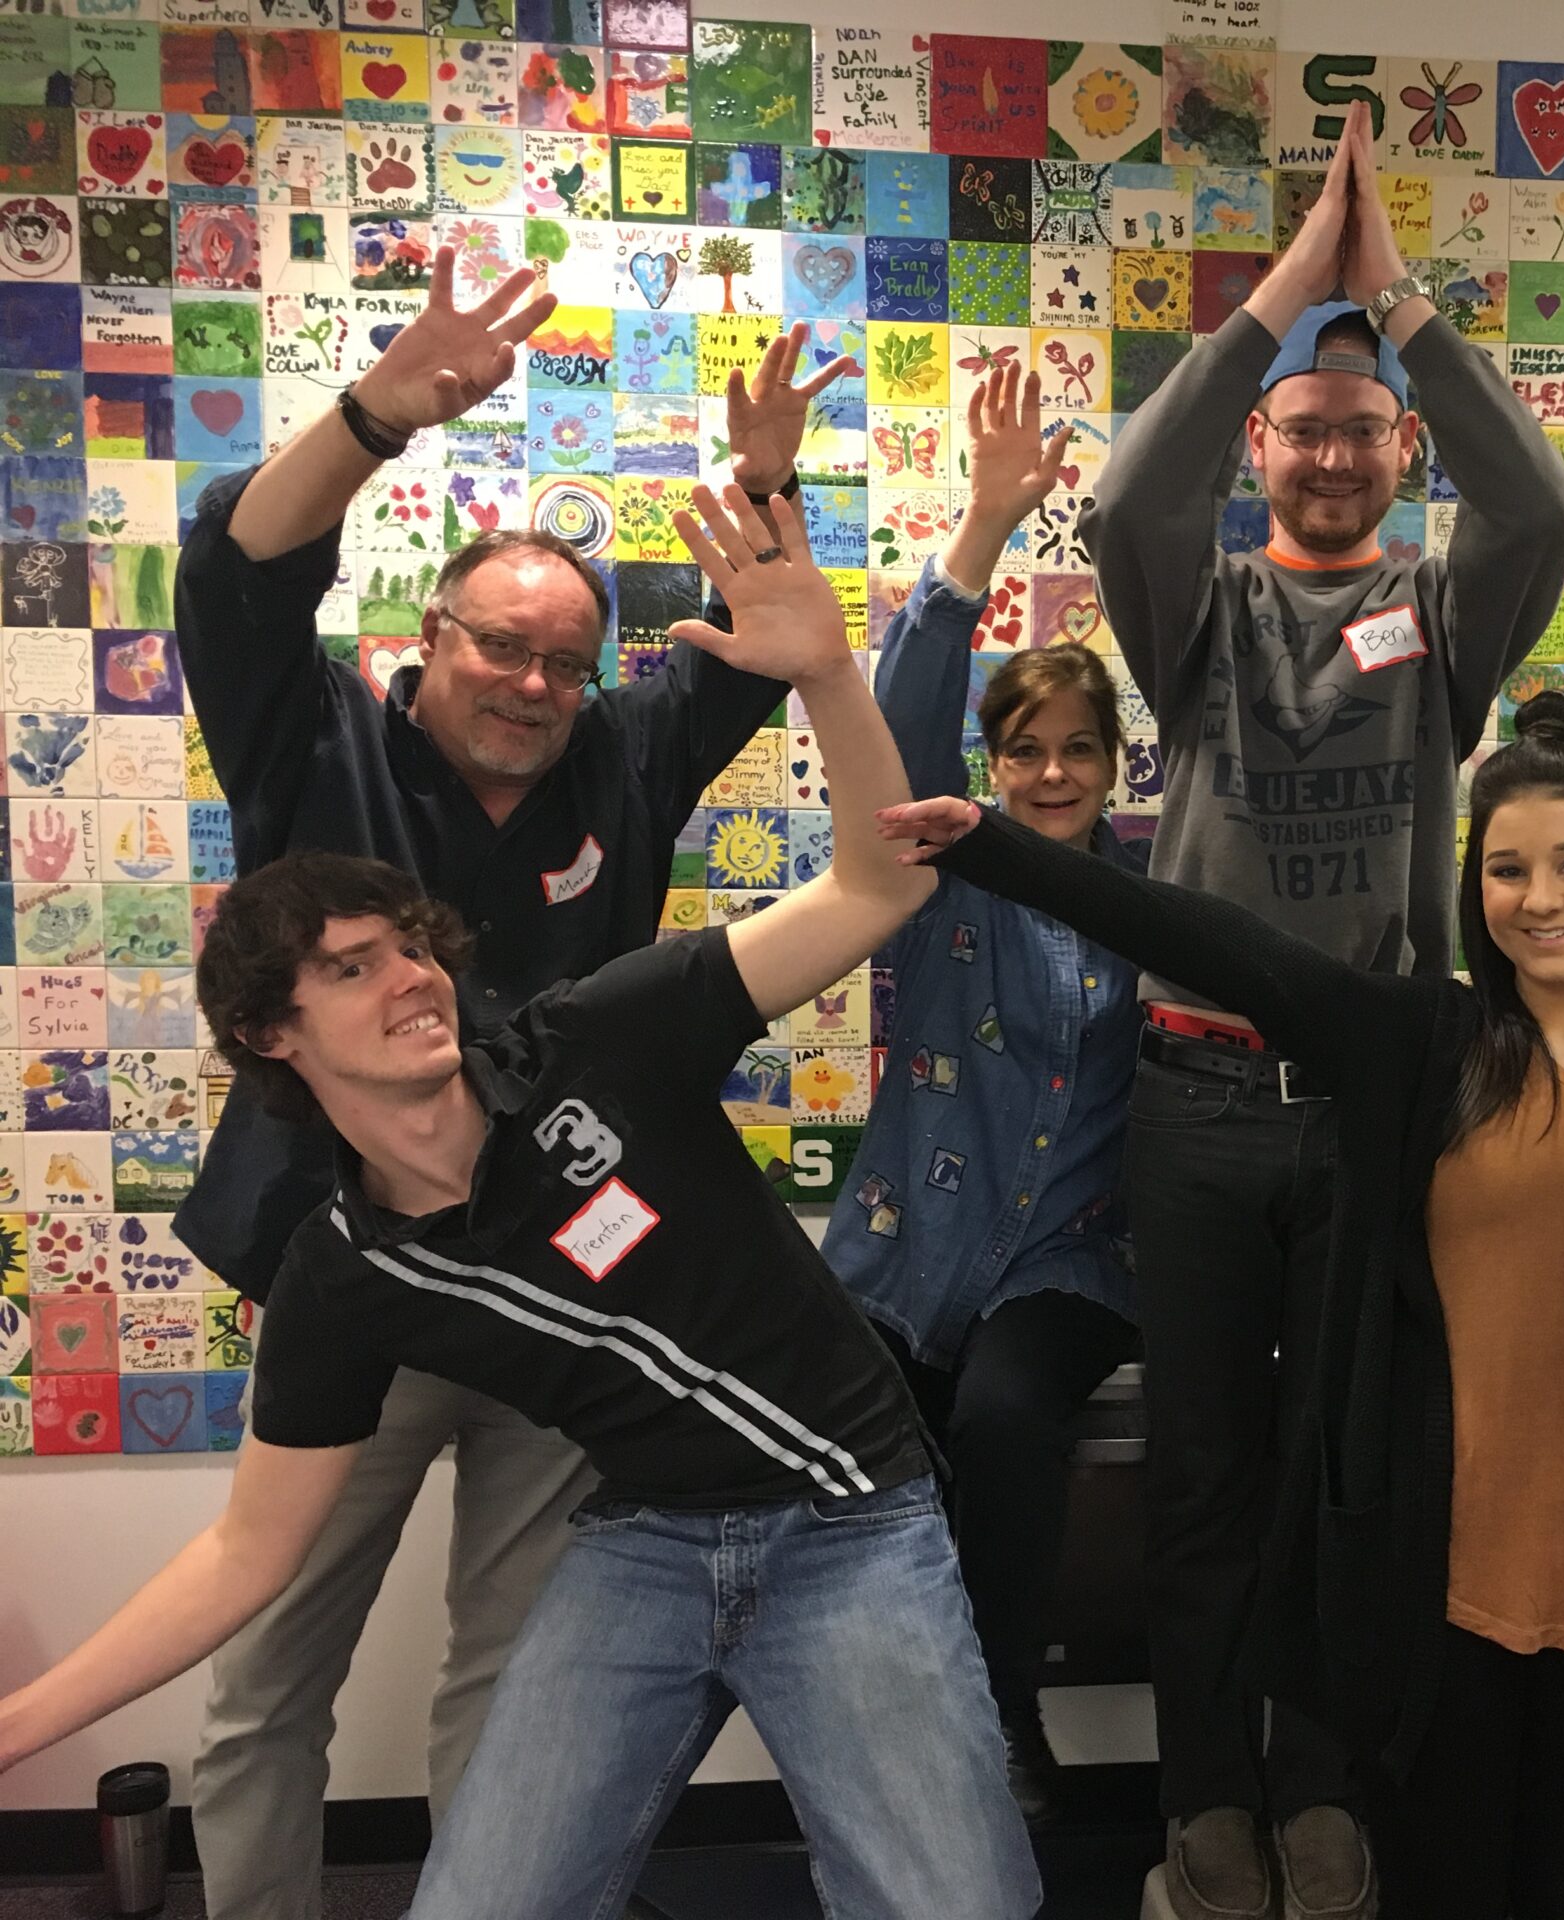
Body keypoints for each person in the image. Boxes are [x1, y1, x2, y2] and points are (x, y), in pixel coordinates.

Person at [0, 486, 1039, 1919]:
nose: (412, 978)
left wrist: (825, 670)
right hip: (653, 1543)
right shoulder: (345, 1271)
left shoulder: (600, 1036)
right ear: (273, 1037)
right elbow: (244, 1552)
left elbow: (878, 880)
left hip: (846, 1516)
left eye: (408, 950)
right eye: (349, 970)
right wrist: (17, 1725)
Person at [169, 248, 855, 1920]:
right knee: (267, 1682)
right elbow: (238, 575)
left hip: (567, 1297)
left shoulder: (619, 755)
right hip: (357, 1285)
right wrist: (373, 415)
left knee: (526, 1681)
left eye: (566, 661)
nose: (535, 687)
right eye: (502, 649)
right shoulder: (311, 739)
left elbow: (763, 645)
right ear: (432, 634)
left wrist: (767, 485)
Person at [879, 695, 1564, 1920]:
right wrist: (991, 845)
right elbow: (1210, 941)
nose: (1541, 898)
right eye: (1507, 869)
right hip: (1441, 1581)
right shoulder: (1431, 1040)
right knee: (1444, 1882)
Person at [1078, 108, 1564, 1915]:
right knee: (1205, 1475)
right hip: (1198, 1105)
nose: (1335, 458)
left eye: (1368, 431)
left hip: (1374, 1107)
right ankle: (1205, 1804)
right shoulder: (1193, 613)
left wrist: (1398, 300)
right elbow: (1127, 494)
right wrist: (1289, 289)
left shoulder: (1449, 615)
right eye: (1304, 428)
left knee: (1349, 1466)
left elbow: (1541, 503)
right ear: (1263, 444)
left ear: (1400, 450)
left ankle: (1322, 1792)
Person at [820, 363, 1141, 1826]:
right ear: (996, 766)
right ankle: (877, 1739)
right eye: (1028, 749)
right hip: (904, 1251)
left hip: (1066, 1270)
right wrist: (980, 536)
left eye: (1082, 750)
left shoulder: (1149, 903)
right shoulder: (936, 877)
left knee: (1009, 1423)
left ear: (1113, 769)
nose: (1055, 770)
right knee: (851, 1446)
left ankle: (998, 1712)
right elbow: (897, 720)